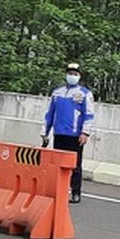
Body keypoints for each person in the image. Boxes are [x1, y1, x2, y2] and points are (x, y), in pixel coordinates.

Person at [41, 62, 95, 203]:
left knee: (75, 165)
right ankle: (58, 190)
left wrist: (85, 132)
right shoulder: (57, 93)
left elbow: (88, 114)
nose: (72, 76)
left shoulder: (85, 94)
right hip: (59, 133)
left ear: (79, 76)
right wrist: (45, 132)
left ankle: (75, 192)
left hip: (75, 135)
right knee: (57, 164)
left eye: (75, 74)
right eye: (70, 73)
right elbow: (50, 114)